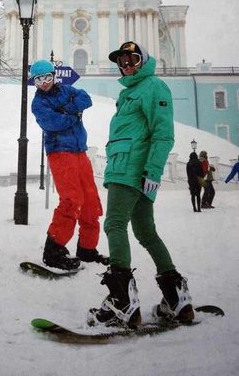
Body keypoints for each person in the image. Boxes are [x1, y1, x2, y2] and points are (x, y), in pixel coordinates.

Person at [89, 41, 194, 328]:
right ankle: (177, 299)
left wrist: (153, 170)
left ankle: (122, 302)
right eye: (122, 61)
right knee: (146, 232)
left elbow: (163, 134)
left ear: (143, 60)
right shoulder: (129, 93)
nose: (126, 64)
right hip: (128, 167)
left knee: (114, 224)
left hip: (132, 171)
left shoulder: (153, 86)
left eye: (132, 59)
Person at [30, 59, 105, 270]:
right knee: (72, 199)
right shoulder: (38, 104)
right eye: (39, 80)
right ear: (34, 82)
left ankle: (87, 248)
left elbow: (86, 99)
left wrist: (67, 109)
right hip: (60, 153)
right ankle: (53, 249)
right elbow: (54, 123)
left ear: (54, 76)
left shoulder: (67, 90)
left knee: (90, 200)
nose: (44, 83)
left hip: (80, 151)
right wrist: (74, 114)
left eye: (47, 77)